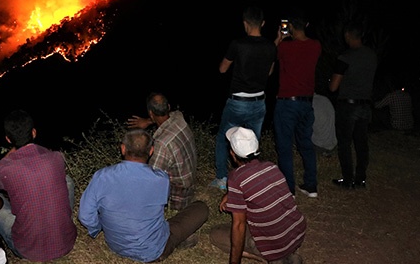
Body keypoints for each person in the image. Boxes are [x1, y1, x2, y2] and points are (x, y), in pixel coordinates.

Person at [78, 128, 209, 263]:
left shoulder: (102, 176)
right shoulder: (161, 179)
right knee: (201, 208)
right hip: (153, 251)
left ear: (123, 149)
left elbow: (85, 215)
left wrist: (97, 228)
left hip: (116, 246)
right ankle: (175, 242)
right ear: (151, 151)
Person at [0, 109, 77, 262]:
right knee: (66, 180)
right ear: (34, 132)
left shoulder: (5, 168)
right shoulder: (56, 157)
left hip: (28, 250)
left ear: (8, 139)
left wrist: (8, 155)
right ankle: (60, 221)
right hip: (66, 242)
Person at [209, 127, 306, 264]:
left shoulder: (236, 178)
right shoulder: (271, 167)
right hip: (296, 233)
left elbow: (239, 225)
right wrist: (229, 194)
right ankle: (288, 254)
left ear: (232, 153)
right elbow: (255, 188)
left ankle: (267, 258)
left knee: (216, 234)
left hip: (276, 244)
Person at [210, 5, 278, 191]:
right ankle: (252, 179)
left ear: (245, 23)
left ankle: (222, 179)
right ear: (263, 23)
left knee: (224, 138)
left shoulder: (238, 44)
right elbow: (269, 72)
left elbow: (222, 69)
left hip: (238, 101)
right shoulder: (271, 46)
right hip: (259, 102)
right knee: (252, 142)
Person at [272, 8, 322, 197]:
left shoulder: (285, 47)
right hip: (306, 103)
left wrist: (279, 38)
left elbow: (272, 55)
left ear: (290, 27)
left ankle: (289, 189)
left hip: (287, 102)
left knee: (284, 146)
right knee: (306, 144)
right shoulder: (316, 46)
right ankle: (311, 186)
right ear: (307, 25)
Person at [126, 92, 198, 210]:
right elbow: (172, 114)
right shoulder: (179, 117)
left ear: (150, 113)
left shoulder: (161, 144)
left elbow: (151, 180)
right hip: (190, 183)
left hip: (178, 197)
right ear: (168, 107)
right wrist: (149, 121)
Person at [329, 21, 378, 189]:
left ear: (348, 36)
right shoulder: (372, 56)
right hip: (366, 105)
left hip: (348, 105)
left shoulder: (345, 57)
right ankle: (361, 178)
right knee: (361, 143)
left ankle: (348, 179)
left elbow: (333, 86)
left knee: (344, 143)